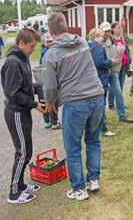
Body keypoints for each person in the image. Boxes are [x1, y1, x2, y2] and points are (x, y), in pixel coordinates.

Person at [43, 12, 104, 201]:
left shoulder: (51, 54)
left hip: (75, 101)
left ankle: (78, 189)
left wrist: (50, 104)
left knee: (73, 147)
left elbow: (50, 86)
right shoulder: (83, 43)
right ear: (66, 27)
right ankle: (93, 180)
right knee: (93, 140)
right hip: (97, 95)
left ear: (51, 32)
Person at [1, 28, 45, 204]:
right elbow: (13, 93)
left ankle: (20, 185)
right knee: (22, 152)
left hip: (23, 111)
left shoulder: (23, 59)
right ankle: (13, 193)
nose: (33, 49)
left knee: (27, 151)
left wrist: (38, 88)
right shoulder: (12, 62)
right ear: (22, 43)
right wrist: (34, 104)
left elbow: (25, 86)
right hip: (16, 112)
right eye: (31, 46)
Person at [100, 22, 133, 123]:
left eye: (108, 30)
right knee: (103, 95)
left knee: (118, 92)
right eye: (105, 31)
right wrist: (110, 62)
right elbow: (98, 60)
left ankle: (122, 116)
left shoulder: (112, 39)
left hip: (113, 71)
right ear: (101, 31)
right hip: (103, 73)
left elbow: (119, 51)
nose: (107, 33)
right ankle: (103, 118)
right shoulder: (98, 42)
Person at [88, 28, 117, 137]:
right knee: (100, 105)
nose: (103, 38)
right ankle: (103, 129)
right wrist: (110, 62)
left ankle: (97, 126)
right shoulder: (97, 47)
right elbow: (99, 63)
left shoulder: (89, 46)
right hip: (100, 78)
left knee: (96, 106)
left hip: (94, 79)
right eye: (100, 36)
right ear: (95, 37)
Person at [37, 34, 61, 130]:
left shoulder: (48, 51)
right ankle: (53, 122)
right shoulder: (47, 52)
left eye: (51, 41)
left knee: (45, 99)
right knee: (51, 99)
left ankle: (47, 121)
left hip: (43, 78)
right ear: (44, 42)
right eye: (48, 42)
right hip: (48, 78)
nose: (50, 43)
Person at [108, 22, 131, 109]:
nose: (120, 29)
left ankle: (120, 104)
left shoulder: (122, 38)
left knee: (120, 85)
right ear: (113, 29)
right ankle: (111, 104)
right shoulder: (110, 39)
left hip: (124, 65)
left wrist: (129, 61)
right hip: (115, 65)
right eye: (118, 28)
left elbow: (126, 50)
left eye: (120, 28)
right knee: (114, 86)